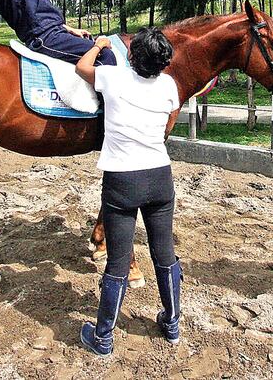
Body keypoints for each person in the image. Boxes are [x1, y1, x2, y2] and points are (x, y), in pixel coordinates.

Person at [74, 28, 183, 356]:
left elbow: (81, 68)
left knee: (119, 260)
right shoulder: (168, 85)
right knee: (164, 254)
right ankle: (172, 324)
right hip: (160, 177)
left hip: (122, 180)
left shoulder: (113, 77)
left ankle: (103, 337)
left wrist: (98, 45)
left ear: (133, 57)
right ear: (164, 61)